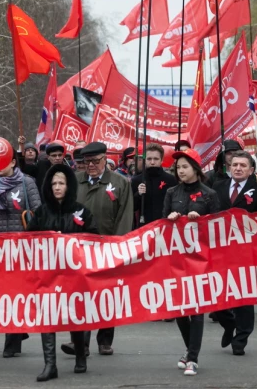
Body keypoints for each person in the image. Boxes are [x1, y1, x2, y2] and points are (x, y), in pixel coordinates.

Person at [60, 142, 133, 357]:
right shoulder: (75, 181)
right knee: (80, 294)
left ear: (105, 160)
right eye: (86, 161)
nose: (90, 165)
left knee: (106, 294)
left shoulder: (120, 183)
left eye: (95, 161)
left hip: (108, 246)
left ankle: (105, 339)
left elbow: (125, 215)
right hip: (79, 248)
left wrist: (119, 246)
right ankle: (80, 342)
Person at [26, 164, 99, 381]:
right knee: (47, 317)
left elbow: (94, 238)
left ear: (69, 186)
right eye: (54, 183)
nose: (57, 187)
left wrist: (71, 242)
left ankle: (80, 356)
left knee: (75, 315)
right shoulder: (41, 212)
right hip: (47, 275)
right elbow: (27, 240)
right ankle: (50, 365)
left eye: (61, 183)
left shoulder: (82, 211)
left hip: (74, 275)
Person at [163, 148, 220, 376]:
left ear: (195, 169)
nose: (181, 171)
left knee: (196, 309)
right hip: (176, 259)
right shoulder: (171, 193)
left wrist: (202, 220)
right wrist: (170, 219)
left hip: (200, 260)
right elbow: (162, 223)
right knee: (179, 309)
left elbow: (218, 228)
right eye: (178, 168)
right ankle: (189, 350)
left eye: (185, 167)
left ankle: (192, 358)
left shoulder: (209, 195)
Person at [0, 155, 41, 358]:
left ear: (14, 162)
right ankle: (17, 331)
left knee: (17, 294)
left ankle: (12, 341)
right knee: (3, 294)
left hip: (22, 248)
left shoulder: (27, 183)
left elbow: (38, 212)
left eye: (4, 161)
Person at [212, 151, 257, 352]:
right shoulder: (217, 187)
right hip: (220, 249)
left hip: (247, 251)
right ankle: (229, 324)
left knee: (243, 296)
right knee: (217, 295)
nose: (238, 168)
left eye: (243, 165)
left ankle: (241, 338)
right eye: (235, 164)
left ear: (252, 170)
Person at [131, 143, 178, 227]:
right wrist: (138, 194)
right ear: (145, 160)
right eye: (149, 159)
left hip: (165, 226)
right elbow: (131, 208)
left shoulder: (171, 180)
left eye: (156, 159)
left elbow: (176, 204)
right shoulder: (136, 180)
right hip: (144, 228)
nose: (152, 162)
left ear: (161, 160)